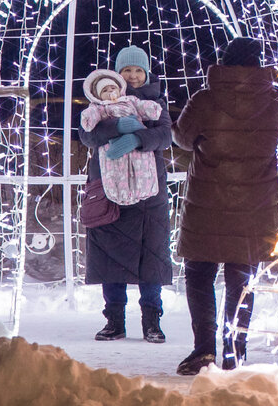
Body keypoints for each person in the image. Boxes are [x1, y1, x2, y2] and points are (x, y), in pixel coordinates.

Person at [172, 36, 278, 375]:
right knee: (242, 277)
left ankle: (203, 349)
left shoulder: (205, 99)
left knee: (199, 273)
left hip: (207, 199)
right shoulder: (275, 101)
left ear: (223, 61)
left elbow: (181, 137)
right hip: (256, 201)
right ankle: (234, 350)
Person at [78, 45, 173, 343]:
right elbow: (87, 135)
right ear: (116, 74)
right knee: (110, 257)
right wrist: (115, 125)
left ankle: (151, 322)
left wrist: (137, 138)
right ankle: (114, 321)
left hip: (149, 193)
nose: (132, 76)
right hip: (109, 190)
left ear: (146, 73)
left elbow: (166, 135)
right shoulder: (101, 100)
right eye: (126, 70)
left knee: (151, 258)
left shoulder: (156, 101)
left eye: (138, 70)